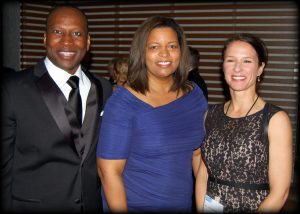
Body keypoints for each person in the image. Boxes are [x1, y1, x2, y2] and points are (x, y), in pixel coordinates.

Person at [1, 5, 112, 213]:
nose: (67, 41)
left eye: (77, 33)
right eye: (57, 32)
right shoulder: (12, 89)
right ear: (44, 38)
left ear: (88, 42)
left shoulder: (104, 88)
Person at [96, 16, 207, 212]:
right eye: (154, 47)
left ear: (181, 51)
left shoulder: (194, 96)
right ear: (142, 52)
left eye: (172, 46)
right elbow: (108, 172)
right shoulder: (123, 103)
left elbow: (197, 156)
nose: (164, 54)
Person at [195, 33, 292, 212]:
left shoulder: (275, 119)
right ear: (223, 66)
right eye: (231, 60)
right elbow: (203, 173)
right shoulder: (210, 114)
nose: (237, 68)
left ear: (260, 68)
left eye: (247, 61)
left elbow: (280, 192)